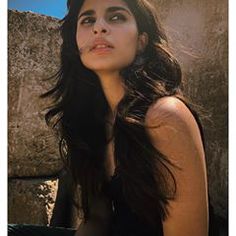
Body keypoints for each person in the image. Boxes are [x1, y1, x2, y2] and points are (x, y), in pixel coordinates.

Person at [9, 0, 217, 235]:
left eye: (116, 17)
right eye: (87, 20)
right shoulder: (90, 122)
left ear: (142, 41)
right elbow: (97, 218)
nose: (99, 27)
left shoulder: (165, 116)